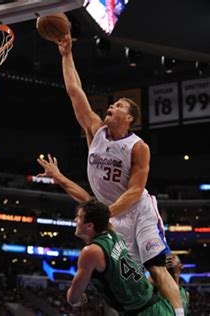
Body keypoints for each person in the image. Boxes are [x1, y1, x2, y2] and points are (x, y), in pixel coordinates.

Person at [55, 33, 182, 314]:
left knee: (156, 267)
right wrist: (66, 55)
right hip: (112, 217)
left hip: (138, 210)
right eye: (111, 105)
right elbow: (75, 92)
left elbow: (135, 191)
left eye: (118, 107)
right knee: (130, 279)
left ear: (129, 119)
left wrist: (104, 214)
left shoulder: (138, 147)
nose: (110, 108)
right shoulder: (95, 131)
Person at [66, 198, 174, 315]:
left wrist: (81, 298)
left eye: (79, 217)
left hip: (142, 311)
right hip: (153, 303)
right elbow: (101, 213)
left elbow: (73, 299)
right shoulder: (111, 230)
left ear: (90, 226)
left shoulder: (90, 252)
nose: (75, 219)